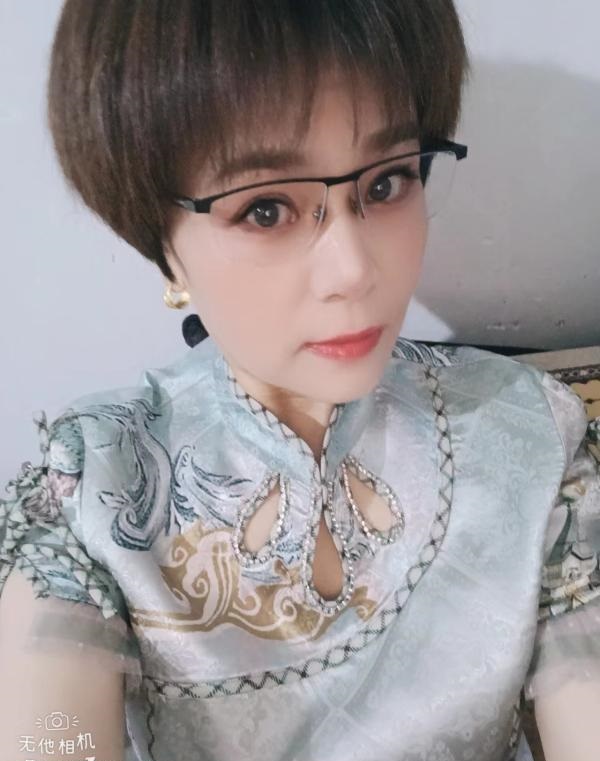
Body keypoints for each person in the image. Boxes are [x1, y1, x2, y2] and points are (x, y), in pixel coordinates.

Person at [1, 2, 599, 760]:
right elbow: (48, 738)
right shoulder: (96, 483)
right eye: (266, 209)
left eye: (386, 184)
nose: (354, 270)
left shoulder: (529, 437)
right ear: (162, 243)